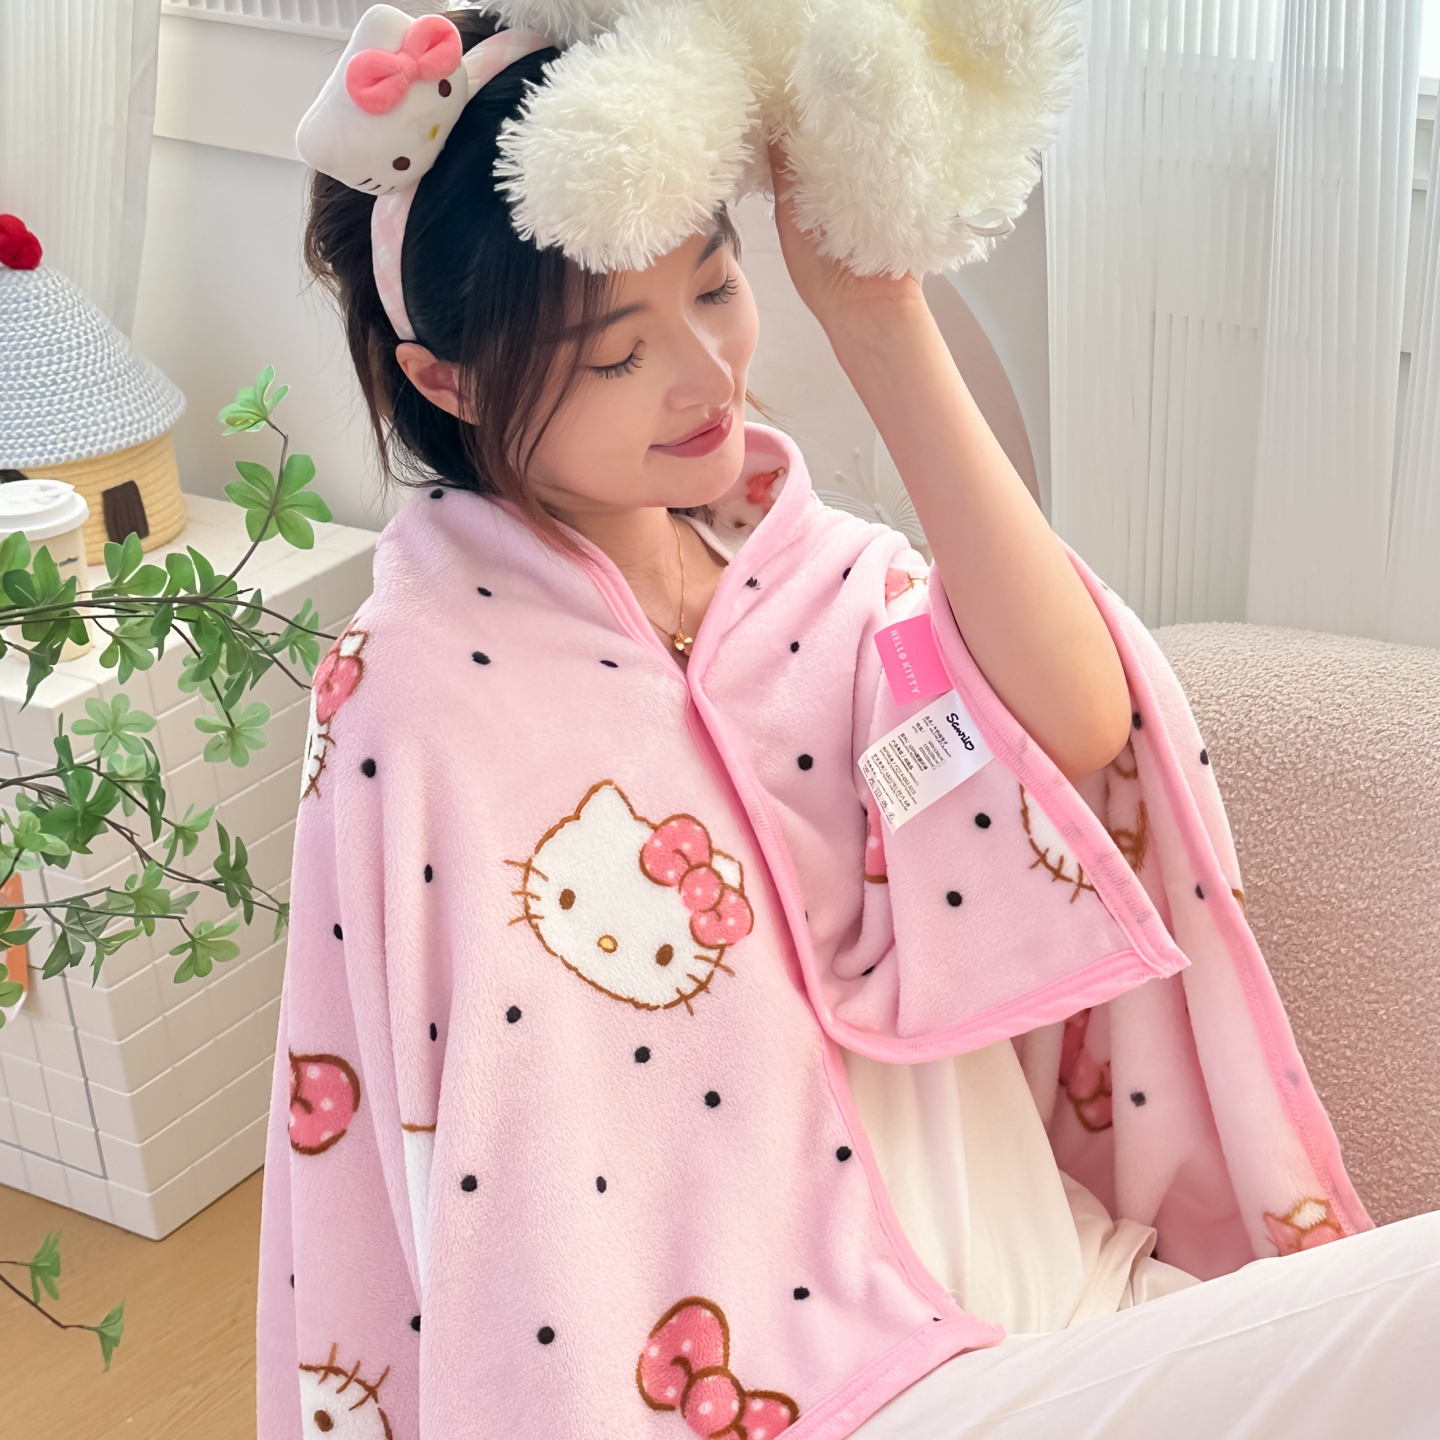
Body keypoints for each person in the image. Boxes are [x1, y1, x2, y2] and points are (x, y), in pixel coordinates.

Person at [258, 11, 1439, 1439]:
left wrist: (878, 313)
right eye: (615, 354)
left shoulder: (818, 584)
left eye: (716, 286)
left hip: (1066, 1314)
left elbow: (1082, 723)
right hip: (809, 1401)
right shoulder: (420, 691)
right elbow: (448, 1179)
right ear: (442, 380)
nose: (704, 376)